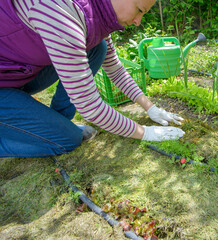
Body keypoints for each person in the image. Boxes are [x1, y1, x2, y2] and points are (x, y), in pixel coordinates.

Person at [0, 0, 185, 158]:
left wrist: (150, 107)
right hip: (5, 83)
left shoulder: (97, 15)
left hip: (16, 73)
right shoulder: (63, 13)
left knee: (98, 48)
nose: (138, 21)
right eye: (139, 10)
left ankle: (58, 121)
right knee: (68, 140)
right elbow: (89, 105)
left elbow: (115, 69)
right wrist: (143, 132)